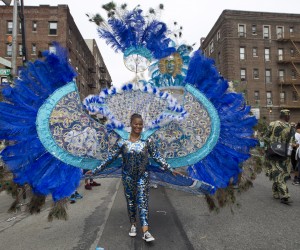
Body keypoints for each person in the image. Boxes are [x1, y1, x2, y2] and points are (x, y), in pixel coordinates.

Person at [86, 113, 176, 242]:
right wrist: (95, 171)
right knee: (131, 202)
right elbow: (110, 158)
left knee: (143, 201)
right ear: (131, 124)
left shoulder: (147, 141)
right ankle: (133, 225)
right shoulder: (122, 142)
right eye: (136, 124)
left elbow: (157, 157)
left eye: (140, 124)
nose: (138, 126)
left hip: (142, 176)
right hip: (127, 176)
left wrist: (170, 169)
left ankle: (146, 231)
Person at [264, 109, 295, 205]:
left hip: (273, 152)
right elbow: (291, 142)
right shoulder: (290, 127)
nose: (289, 117)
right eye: (288, 115)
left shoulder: (272, 124)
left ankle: (275, 191)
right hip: (284, 153)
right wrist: (288, 154)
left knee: (277, 172)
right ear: (286, 116)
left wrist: (272, 144)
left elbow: (265, 137)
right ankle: (285, 195)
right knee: (280, 173)